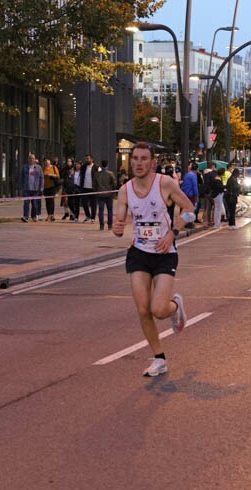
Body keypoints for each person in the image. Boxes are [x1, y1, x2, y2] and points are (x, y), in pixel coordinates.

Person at [113, 141, 195, 378]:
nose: (138, 163)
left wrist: (173, 233)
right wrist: (117, 227)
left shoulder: (165, 184)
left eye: (143, 159)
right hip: (138, 252)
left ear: (152, 162)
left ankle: (176, 305)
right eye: (135, 159)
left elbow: (190, 209)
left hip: (163, 253)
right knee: (143, 309)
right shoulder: (125, 190)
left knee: (159, 309)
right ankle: (159, 359)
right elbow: (119, 227)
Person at [19, 153, 43, 222]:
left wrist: (41, 187)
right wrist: (21, 187)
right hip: (27, 188)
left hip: (35, 189)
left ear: (35, 160)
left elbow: (42, 178)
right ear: (28, 159)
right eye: (30, 158)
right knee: (26, 203)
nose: (31, 160)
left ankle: (34, 216)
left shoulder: (39, 167)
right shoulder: (24, 167)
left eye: (33, 158)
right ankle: (25, 216)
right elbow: (21, 177)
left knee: (35, 204)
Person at [94, 159, 117, 231]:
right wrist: (113, 191)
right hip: (109, 194)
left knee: (101, 210)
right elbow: (114, 184)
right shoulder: (110, 173)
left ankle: (101, 225)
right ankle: (110, 224)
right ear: (107, 165)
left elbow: (94, 185)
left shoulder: (97, 174)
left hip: (100, 194)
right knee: (110, 210)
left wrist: (96, 191)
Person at [78, 154, 98, 222]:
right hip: (84, 188)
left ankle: (93, 217)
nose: (87, 160)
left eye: (88, 158)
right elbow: (80, 176)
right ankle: (88, 215)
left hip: (93, 188)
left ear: (92, 159)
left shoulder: (96, 167)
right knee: (84, 203)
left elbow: (99, 177)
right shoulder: (83, 167)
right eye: (86, 159)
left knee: (93, 204)